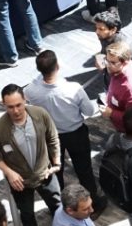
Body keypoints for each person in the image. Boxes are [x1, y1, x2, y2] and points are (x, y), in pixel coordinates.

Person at [0, 83, 61, 226]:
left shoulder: (40, 114)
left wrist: (57, 162)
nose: (16, 110)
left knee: (57, 205)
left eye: (19, 105)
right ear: (4, 105)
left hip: (45, 173)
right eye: (10, 107)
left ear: (25, 100)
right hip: (21, 182)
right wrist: (9, 172)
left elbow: (52, 137)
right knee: (27, 214)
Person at [24, 49, 104, 207]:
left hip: (51, 137)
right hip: (76, 134)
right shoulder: (73, 88)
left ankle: (60, 206)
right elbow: (89, 111)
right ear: (58, 66)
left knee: (56, 173)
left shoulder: (31, 90)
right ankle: (92, 204)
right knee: (84, 170)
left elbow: (27, 93)